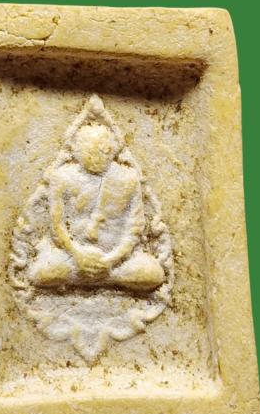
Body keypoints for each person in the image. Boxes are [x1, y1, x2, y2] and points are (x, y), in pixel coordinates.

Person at [28, 121, 164, 291]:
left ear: (113, 150)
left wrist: (111, 260)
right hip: (71, 256)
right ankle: (102, 278)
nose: (96, 158)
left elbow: (134, 228)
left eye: (104, 151)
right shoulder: (62, 177)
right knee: (41, 272)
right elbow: (57, 226)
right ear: (76, 151)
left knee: (153, 273)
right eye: (90, 152)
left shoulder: (128, 178)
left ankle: (97, 277)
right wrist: (78, 255)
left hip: (115, 260)